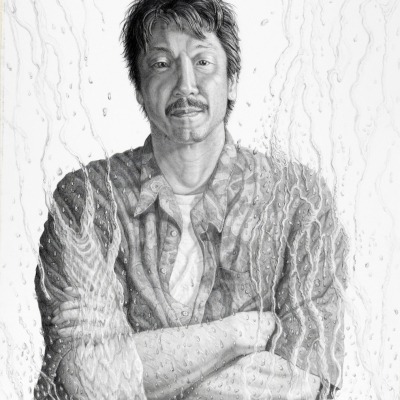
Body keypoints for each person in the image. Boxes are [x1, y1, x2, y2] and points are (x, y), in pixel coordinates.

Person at [34, 0, 348, 399]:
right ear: (139, 87)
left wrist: (142, 367)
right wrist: (236, 335)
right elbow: (90, 378)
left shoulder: (299, 200)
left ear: (232, 81)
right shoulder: (87, 199)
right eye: (162, 64)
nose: (185, 85)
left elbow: (301, 380)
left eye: (202, 62)